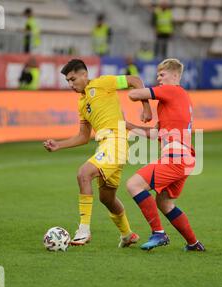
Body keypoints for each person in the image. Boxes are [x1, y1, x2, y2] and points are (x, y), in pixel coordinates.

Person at [43, 59, 149, 248]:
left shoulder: (102, 83)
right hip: (106, 146)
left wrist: (146, 107)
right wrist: (59, 145)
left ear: (84, 74)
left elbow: (135, 80)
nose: (70, 84)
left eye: (72, 79)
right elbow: (83, 137)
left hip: (116, 141)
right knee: (106, 198)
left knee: (84, 173)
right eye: (67, 81)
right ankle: (127, 235)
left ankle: (84, 230)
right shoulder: (82, 103)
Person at [125, 58, 205, 252]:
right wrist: (126, 125)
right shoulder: (176, 99)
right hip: (185, 158)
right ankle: (193, 244)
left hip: (175, 158)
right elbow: (154, 134)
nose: (159, 79)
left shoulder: (172, 90)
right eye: (158, 75)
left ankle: (159, 233)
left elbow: (133, 93)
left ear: (175, 76)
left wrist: (145, 106)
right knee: (164, 202)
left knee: (133, 184)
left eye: (162, 75)